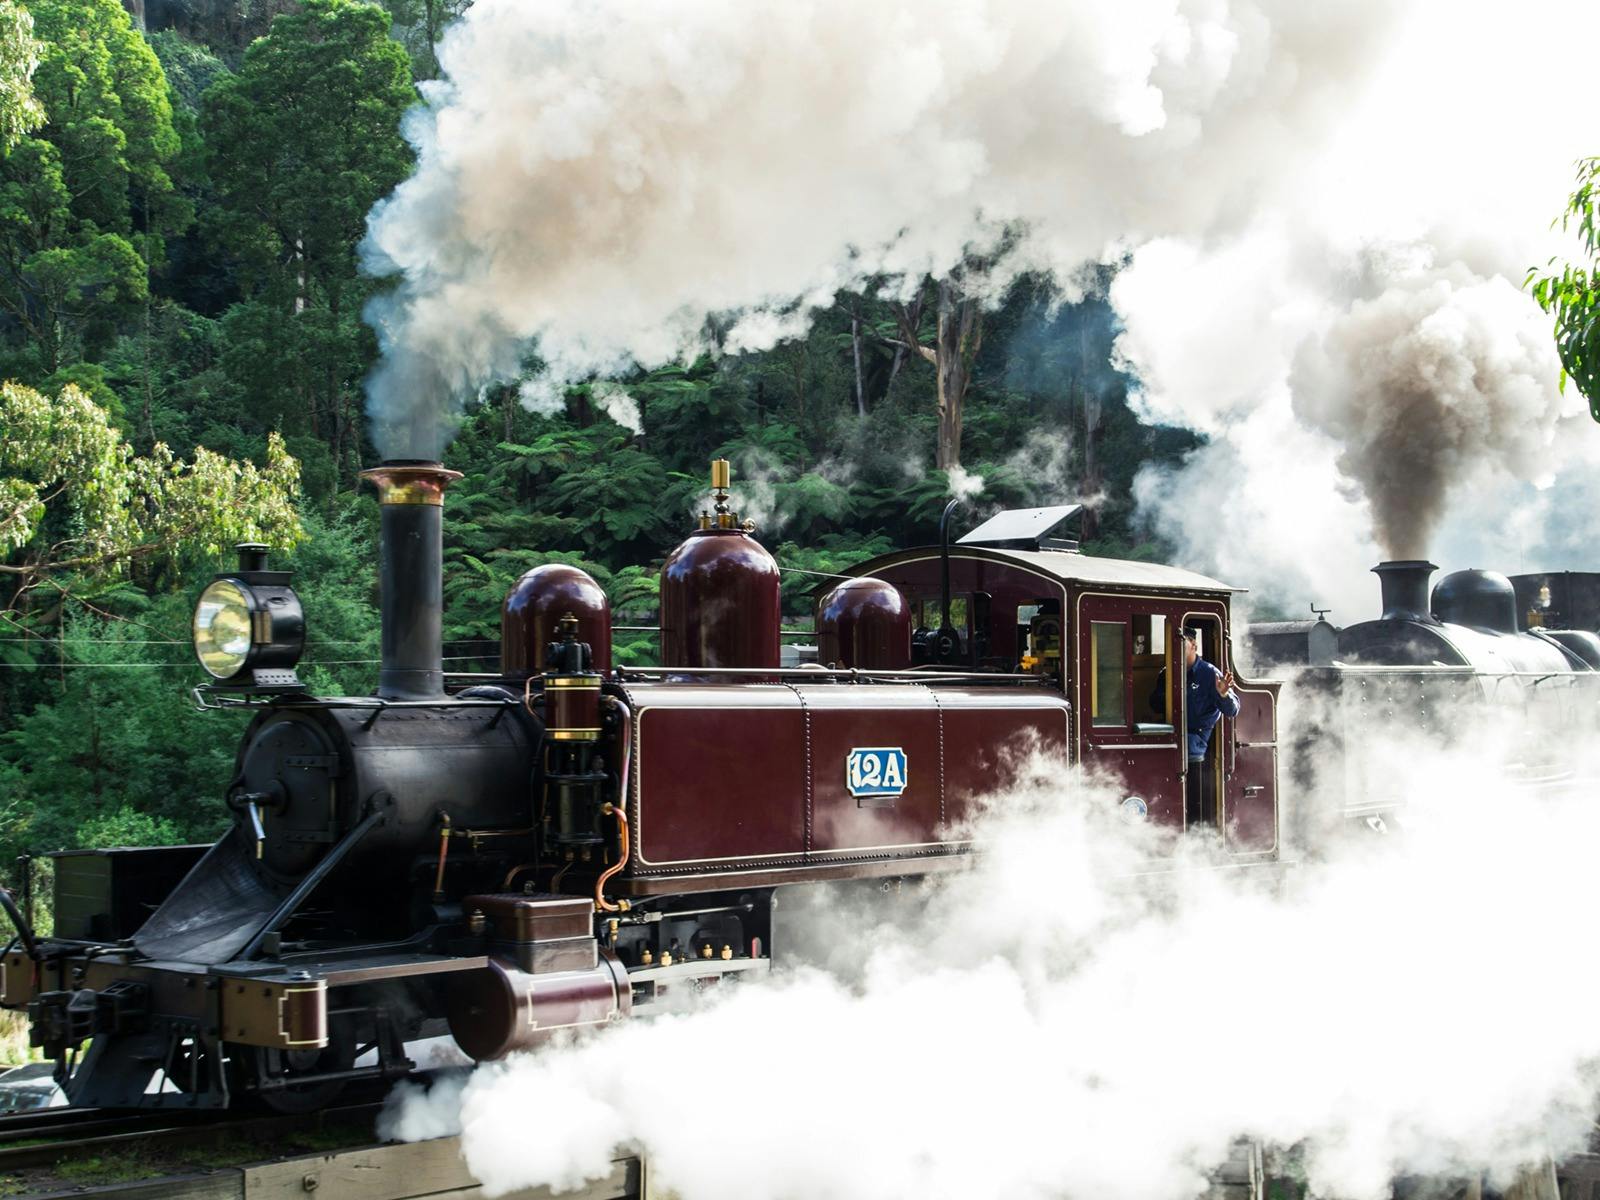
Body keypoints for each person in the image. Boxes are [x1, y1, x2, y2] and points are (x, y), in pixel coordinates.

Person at [1180, 625, 1237, 829]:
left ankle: (1197, 830)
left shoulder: (1209, 673)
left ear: (1193, 645)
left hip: (1195, 745)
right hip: (1172, 740)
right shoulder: (1167, 672)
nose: (1176, 646)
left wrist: (1223, 694)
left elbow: (1232, 709)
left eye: (1181, 641)